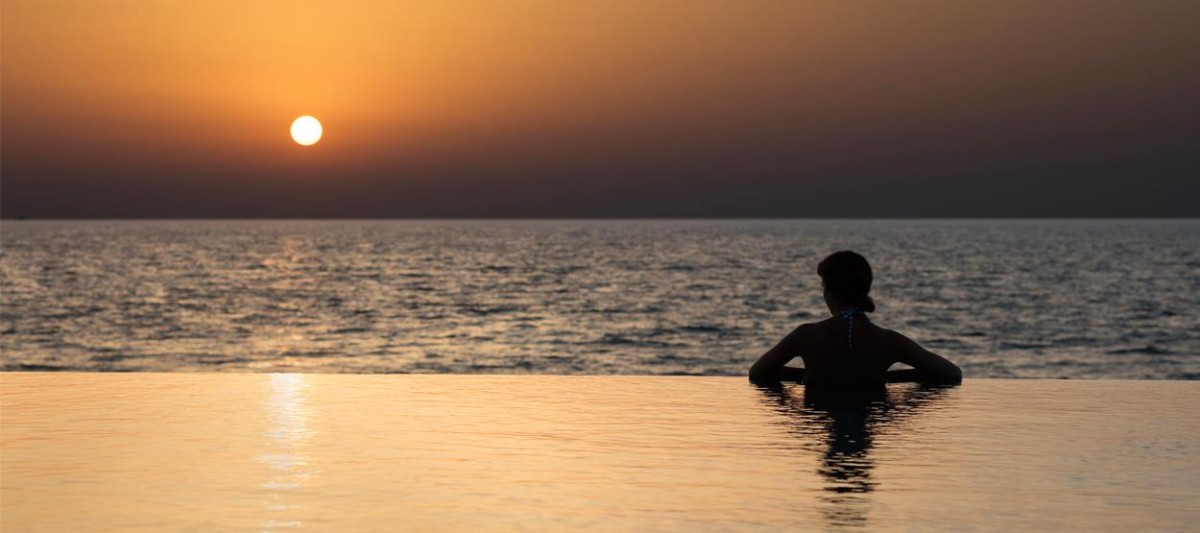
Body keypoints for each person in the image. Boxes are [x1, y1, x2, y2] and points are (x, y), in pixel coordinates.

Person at [749, 251, 962, 387]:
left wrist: (808, 377)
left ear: (830, 293)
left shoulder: (805, 336)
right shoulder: (888, 340)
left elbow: (757, 372)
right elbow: (952, 374)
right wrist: (886, 379)